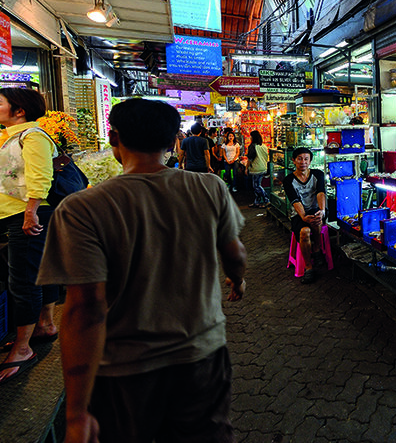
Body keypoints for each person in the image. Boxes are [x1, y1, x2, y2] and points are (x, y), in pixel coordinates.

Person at [37, 98, 247, 443]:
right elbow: (235, 252)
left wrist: (77, 412)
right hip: (201, 357)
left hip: (123, 371)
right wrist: (237, 280)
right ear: (171, 143)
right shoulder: (208, 188)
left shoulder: (82, 208)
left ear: (113, 138)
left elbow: (84, 309)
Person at [0, 88, 59, 382]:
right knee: (37, 273)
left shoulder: (32, 136)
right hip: (19, 212)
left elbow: (40, 174)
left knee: (23, 280)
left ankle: (23, 349)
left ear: (19, 110)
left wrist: (31, 210)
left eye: (0, 103)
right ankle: (45, 325)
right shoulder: (12, 136)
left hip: (27, 213)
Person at [282, 147, 327, 284]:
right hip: (299, 213)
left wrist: (322, 210)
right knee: (304, 231)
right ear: (293, 160)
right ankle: (308, 267)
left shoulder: (318, 174)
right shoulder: (288, 180)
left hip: (316, 209)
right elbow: (295, 200)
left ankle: (317, 248)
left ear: (310, 161)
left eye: (306, 159)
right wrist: (303, 217)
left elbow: (320, 192)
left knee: (317, 218)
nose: (303, 162)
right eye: (300, 159)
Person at [245, 130, 269, 208]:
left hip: (256, 168)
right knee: (257, 186)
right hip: (263, 167)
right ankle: (257, 202)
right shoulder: (264, 146)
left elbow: (250, 159)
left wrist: (246, 168)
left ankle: (266, 200)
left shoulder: (252, 146)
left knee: (257, 186)